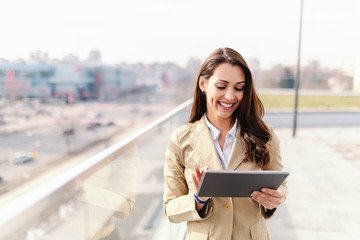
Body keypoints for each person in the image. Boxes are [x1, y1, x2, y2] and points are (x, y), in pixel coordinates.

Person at [163, 47, 288, 240]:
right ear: (203, 84)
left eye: (239, 88)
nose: (230, 96)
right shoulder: (181, 140)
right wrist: (198, 199)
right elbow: (170, 208)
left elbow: (281, 185)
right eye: (221, 86)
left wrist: (276, 198)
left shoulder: (265, 135)